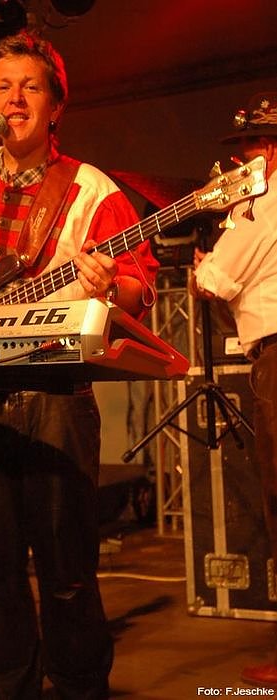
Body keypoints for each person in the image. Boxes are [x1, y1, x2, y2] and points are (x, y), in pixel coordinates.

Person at [0, 30, 158, 699]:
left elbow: (139, 283)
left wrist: (111, 286)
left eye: (30, 86)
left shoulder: (91, 188)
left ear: (55, 105)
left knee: (67, 570)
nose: (14, 98)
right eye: (2, 86)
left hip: (54, 391)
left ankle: (78, 689)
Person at [191, 92, 277, 688]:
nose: (240, 161)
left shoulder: (259, 203)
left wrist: (202, 265)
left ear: (267, 150)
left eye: (247, 148)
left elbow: (216, 278)